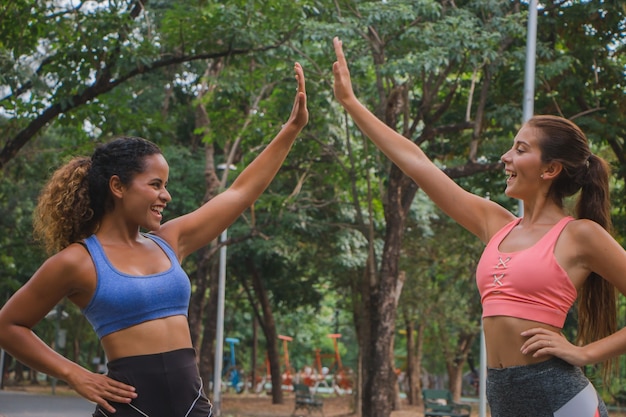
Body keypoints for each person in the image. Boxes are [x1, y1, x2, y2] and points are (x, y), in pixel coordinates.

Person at [331, 37, 626, 417]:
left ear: (550, 169)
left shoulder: (578, 235)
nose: (506, 156)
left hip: (560, 399)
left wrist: (584, 352)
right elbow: (417, 164)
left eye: (521, 149)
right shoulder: (496, 224)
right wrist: (351, 103)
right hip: (502, 398)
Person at [0, 62, 308, 416]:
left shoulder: (168, 241)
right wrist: (75, 374)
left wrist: (292, 129)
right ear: (118, 186)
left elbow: (239, 193)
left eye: (166, 185)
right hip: (130, 410)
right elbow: (8, 325)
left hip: (194, 407)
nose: (167, 196)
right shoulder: (78, 261)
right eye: (155, 185)